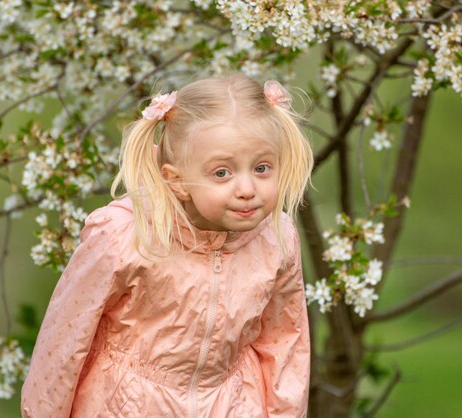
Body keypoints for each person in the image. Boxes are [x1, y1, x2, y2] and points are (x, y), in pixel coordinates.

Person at [21, 74, 313, 417]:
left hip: (233, 405)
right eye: (222, 173)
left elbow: (284, 343)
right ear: (177, 180)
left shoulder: (275, 238)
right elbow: (64, 344)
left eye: (262, 168)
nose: (247, 188)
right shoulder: (123, 237)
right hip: (126, 407)